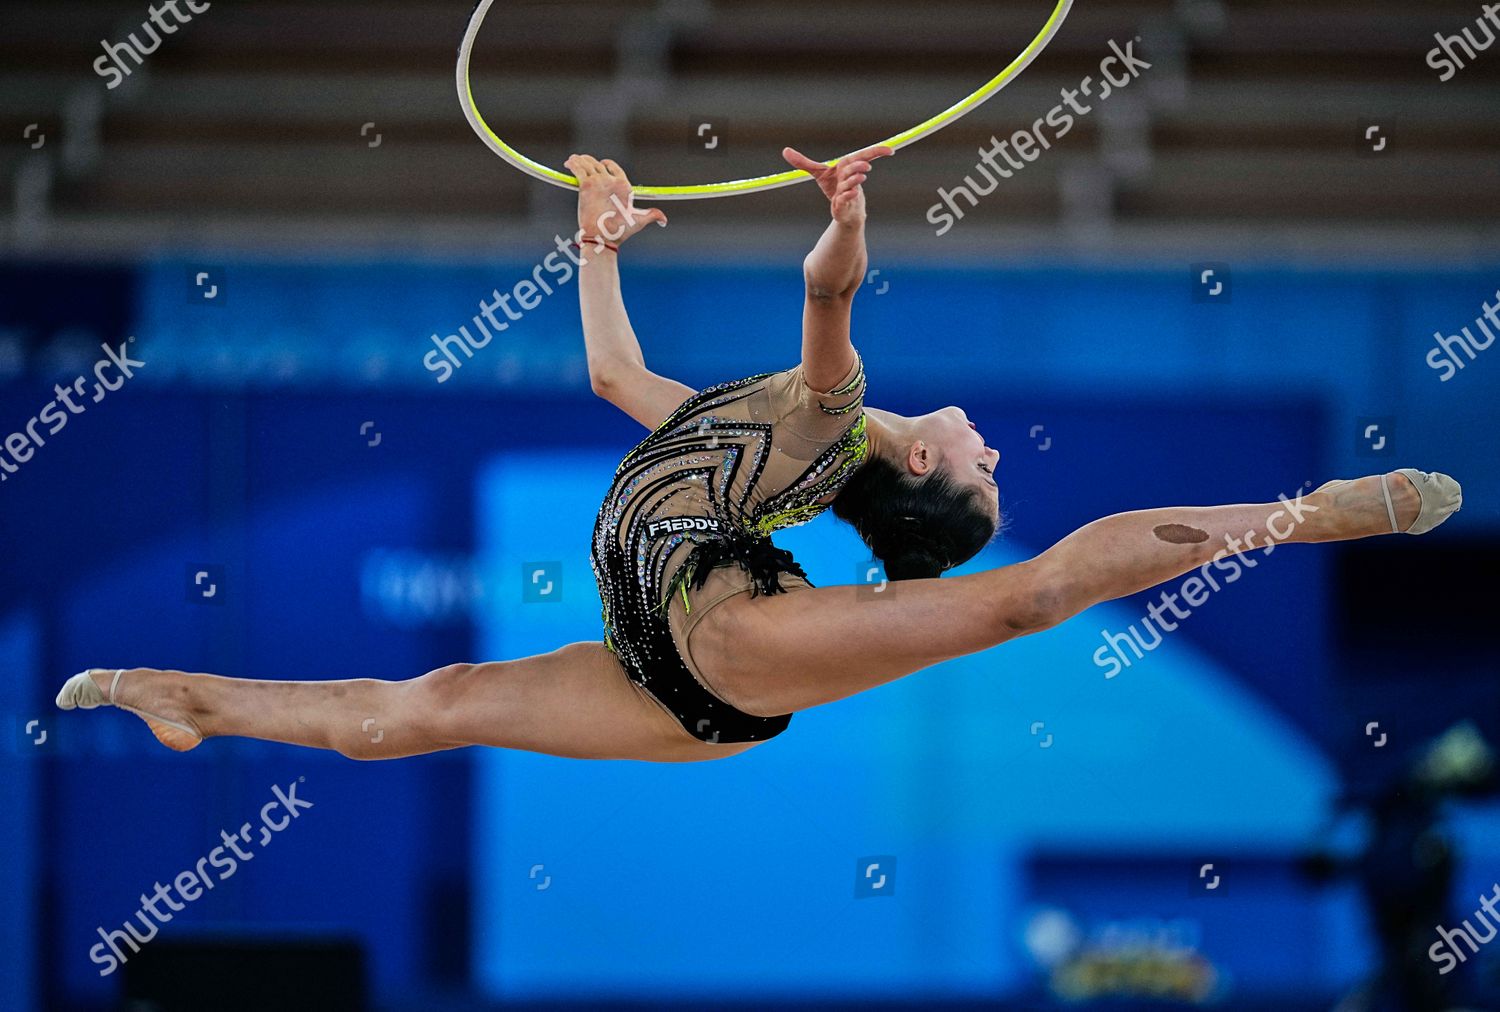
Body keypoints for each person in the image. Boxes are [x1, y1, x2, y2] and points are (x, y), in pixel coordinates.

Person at [57, 147, 1463, 763]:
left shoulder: (831, 415)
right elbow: (610, 370)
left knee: (1034, 594)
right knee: (422, 707)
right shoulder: (771, 440)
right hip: (682, 659)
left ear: (921, 472)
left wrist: (848, 213)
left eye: (983, 463)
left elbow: (830, 293)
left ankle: (1315, 513)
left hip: (721, 650)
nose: (986, 439)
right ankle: (186, 696)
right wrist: (595, 244)